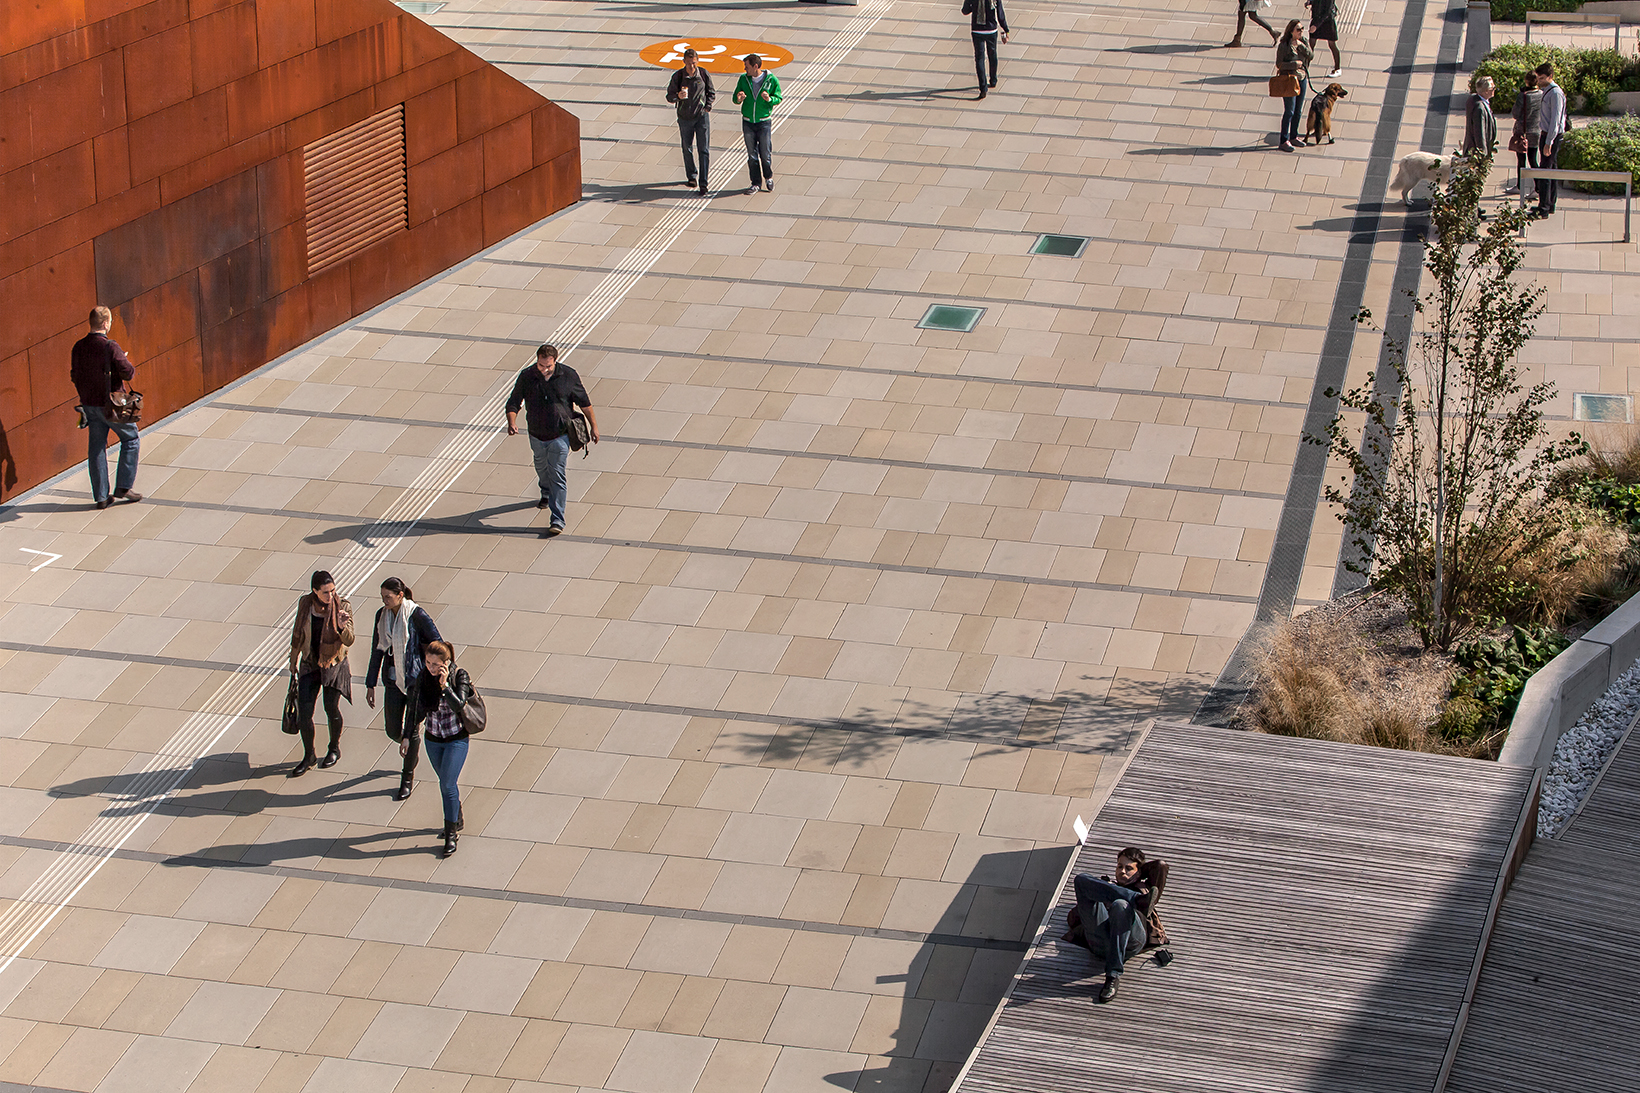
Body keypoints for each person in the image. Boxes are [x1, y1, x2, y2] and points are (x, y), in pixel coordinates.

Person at [504, 344, 598, 535]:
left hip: (560, 435)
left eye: (548, 366)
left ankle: (557, 520)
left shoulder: (568, 376)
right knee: (540, 466)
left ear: (555, 361)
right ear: (537, 360)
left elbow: (585, 403)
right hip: (536, 434)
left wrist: (594, 426)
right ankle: (545, 491)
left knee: (557, 474)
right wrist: (512, 422)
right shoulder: (527, 376)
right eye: (541, 365)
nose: (544, 369)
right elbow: (514, 401)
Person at [365, 577, 442, 801]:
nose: (384, 601)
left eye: (388, 597)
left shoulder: (416, 615)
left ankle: (406, 777)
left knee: (412, 729)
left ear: (400, 595)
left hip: (414, 681)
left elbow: (437, 643)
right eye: (382, 597)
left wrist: (432, 670)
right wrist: (370, 683)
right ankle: (411, 747)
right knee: (392, 729)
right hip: (393, 680)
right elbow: (377, 649)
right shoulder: (382, 616)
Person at [403, 640, 474, 857]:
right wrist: (407, 736)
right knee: (445, 785)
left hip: (456, 739)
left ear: (446, 663)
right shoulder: (423, 678)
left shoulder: (458, 676)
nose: (431, 668)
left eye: (436, 664)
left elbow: (459, 704)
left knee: (447, 784)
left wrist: (444, 686)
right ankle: (456, 814)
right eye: (428, 663)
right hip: (433, 739)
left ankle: (451, 834)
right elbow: (413, 707)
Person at [69, 306, 143, 510]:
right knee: (131, 439)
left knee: (96, 449)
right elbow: (128, 373)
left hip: (89, 406)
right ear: (105, 323)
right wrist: (124, 359)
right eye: (109, 321)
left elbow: (75, 375)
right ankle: (124, 487)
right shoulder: (110, 346)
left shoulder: (78, 346)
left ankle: (101, 496)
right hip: (111, 406)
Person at [1068, 847, 1164, 1003]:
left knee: (1121, 904)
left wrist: (1141, 872)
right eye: (1119, 866)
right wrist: (1102, 892)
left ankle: (1112, 976)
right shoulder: (1104, 887)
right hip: (1100, 940)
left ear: (1139, 872)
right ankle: (1132, 899)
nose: (1122, 871)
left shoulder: (1144, 891)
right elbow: (1075, 915)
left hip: (1131, 940)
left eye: (1129, 868)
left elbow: (1160, 866)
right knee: (1080, 879)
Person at [287, 570, 355, 777]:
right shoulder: (306, 604)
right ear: (315, 591)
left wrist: (342, 626)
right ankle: (309, 756)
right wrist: (293, 660)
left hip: (333, 664)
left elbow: (350, 640)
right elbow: (298, 633)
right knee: (305, 713)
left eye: (333, 590)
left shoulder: (342, 606)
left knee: (331, 708)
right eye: (325, 592)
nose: (330, 595)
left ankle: (334, 748)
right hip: (310, 662)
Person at [666, 48, 715, 196]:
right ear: (684, 62)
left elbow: (711, 92)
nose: (691, 67)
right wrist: (678, 96)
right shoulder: (678, 76)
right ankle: (692, 176)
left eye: (693, 63)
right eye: (688, 64)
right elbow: (669, 96)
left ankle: (703, 183)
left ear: (697, 61)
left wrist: (707, 107)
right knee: (687, 148)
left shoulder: (704, 74)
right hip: (684, 118)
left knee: (704, 150)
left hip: (701, 117)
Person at [733, 54, 782, 194]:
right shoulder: (743, 79)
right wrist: (738, 98)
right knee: (752, 155)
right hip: (748, 121)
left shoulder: (771, 80)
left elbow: (778, 97)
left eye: (747, 66)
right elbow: (735, 98)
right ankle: (755, 183)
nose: (745, 69)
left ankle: (768, 177)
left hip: (763, 122)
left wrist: (769, 99)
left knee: (765, 153)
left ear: (756, 66)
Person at [1533, 63, 1567, 219]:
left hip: (1550, 136)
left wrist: (1549, 142)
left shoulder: (1555, 94)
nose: (1539, 81)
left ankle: (1544, 208)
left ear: (1550, 77)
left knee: (1545, 171)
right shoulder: (1547, 91)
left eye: (1542, 78)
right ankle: (1550, 203)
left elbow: (1556, 119)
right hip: (1546, 133)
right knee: (1551, 169)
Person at [1275, 20, 1312, 153]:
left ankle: (1294, 136)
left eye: (1302, 29)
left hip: (1302, 79)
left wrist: (1302, 46)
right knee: (1289, 111)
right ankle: (1284, 140)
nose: (1301, 31)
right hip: (1290, 80)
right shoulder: (1284, 46)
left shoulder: (1304, 41)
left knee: (1298, 110)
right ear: (1291, 31)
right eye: (1298, 29)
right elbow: (1279, 64)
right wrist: (1293, 65)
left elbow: (1311, 56)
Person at [961, 0, 1009, 98]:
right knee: (992, 55)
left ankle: (983, 88)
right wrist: (1006, 30)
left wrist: (974, 7)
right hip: (991, 30)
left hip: (977, 30)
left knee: (979, 59)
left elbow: (964, 11)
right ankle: (993, 80)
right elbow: (1000, 14)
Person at [1504, 76, 1542, 195]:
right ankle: (1538, 188)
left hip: (1523, 131)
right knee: (1533, 159)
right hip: (1536, 130)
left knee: (1521, 160)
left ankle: (1520, 186)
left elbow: (1515, 114)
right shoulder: (1541, 93)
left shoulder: (1523, 96)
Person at [1306, 0, 1342, 77]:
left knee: (1332, 44)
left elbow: (1327, 12)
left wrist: (1316, 26)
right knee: (1311, 44)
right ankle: (1305, 67)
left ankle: (1337, 69)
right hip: (1317, 18)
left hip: (1328, 22)